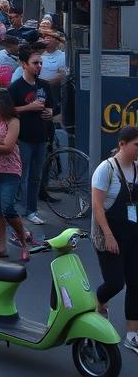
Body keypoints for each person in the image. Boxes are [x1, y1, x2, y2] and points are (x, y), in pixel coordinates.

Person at [91, 124, 138, 353]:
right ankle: (99, 303)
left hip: (132, 234)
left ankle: (132, 334)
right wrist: (109, 236)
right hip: (107, 233)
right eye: (137, 144)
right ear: (122, 144)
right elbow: (97, 207)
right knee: (115, 282)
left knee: (136, 283)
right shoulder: (105, 169)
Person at [0, 88, 29, 261]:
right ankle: (2, 247)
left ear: (2, 102)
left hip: (10, 170)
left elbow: (8, 148)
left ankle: (24, 242)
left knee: (8, 207)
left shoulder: (13, 121)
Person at [9, 43, 53, 225]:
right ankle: (17, 209)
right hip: (23, 138)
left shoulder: (44, 85)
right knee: (21, 175)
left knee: (36, 176)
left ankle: (31, 210)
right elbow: (8, 111)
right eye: (35, 63)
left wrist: (51, 112)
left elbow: (52, 105)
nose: (39, 66)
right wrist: (28, 107)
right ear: (24, 64)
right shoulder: (16, 87)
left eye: (40, 63)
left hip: (41, 137)